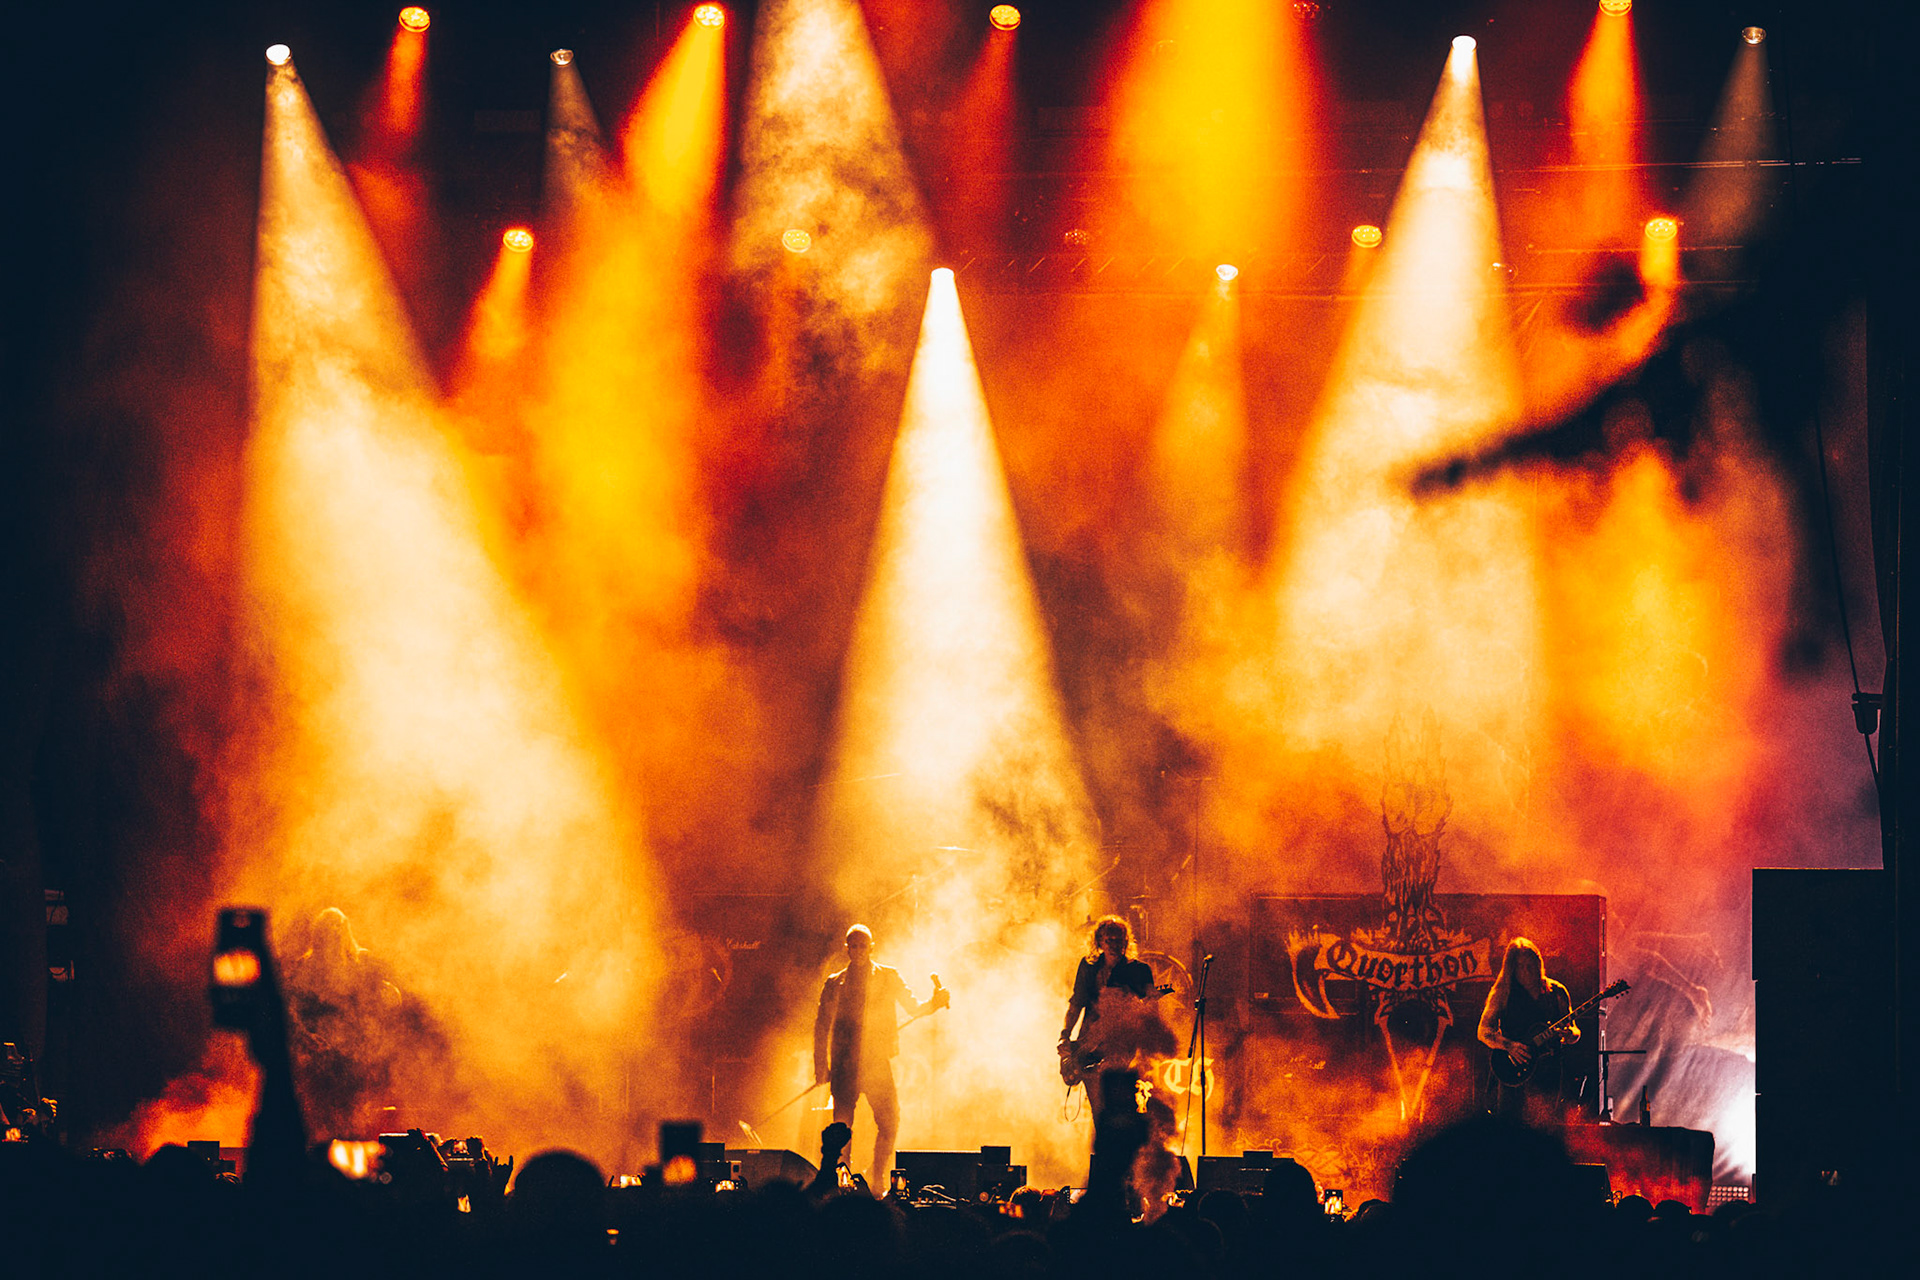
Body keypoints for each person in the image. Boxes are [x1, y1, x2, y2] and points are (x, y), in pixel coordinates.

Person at [812, 924, 941, 1190]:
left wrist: (934, 1003)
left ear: (872, 947)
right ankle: (841, 1180)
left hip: (875, 1062)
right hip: (844, 1065)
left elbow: (913, 1007)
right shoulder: (835, 982)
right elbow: (821, 1026)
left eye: (862, 945)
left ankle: (877, 1175)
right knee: (841, 1127)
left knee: (889, 1119)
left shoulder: (888, 976)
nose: (858, 950)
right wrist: (820, 1065)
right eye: (854, 945)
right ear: (847, 949)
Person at [1058, 916, 1159, 1108]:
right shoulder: (1088, 967)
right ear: (1099, 941)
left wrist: (1136, 1014)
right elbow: (1076, 1004)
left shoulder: (1138, 970)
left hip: (1120, 1042)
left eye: (1118, 940)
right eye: (1109, 940)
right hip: (1088, 1040)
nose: (1114, 945)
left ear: (1126, 942)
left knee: (1114, 1097)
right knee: (1097, 1104)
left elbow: (1151, 1010)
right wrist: (1065, 1036)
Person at [1477, 937, 1579, 1122]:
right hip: (1513, 1073)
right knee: (1510, 1129)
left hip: (1549, 1072)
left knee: (1547, 1125)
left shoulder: (1556, 992)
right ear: (1512, 969)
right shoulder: (1502, 993)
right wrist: (1508, 1046)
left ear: (1539, 963)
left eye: (1531, 965)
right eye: (1521, 966)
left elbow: (1573, 1032)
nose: (1527, 971)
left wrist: (1569, 1034)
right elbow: (1483, 1031)